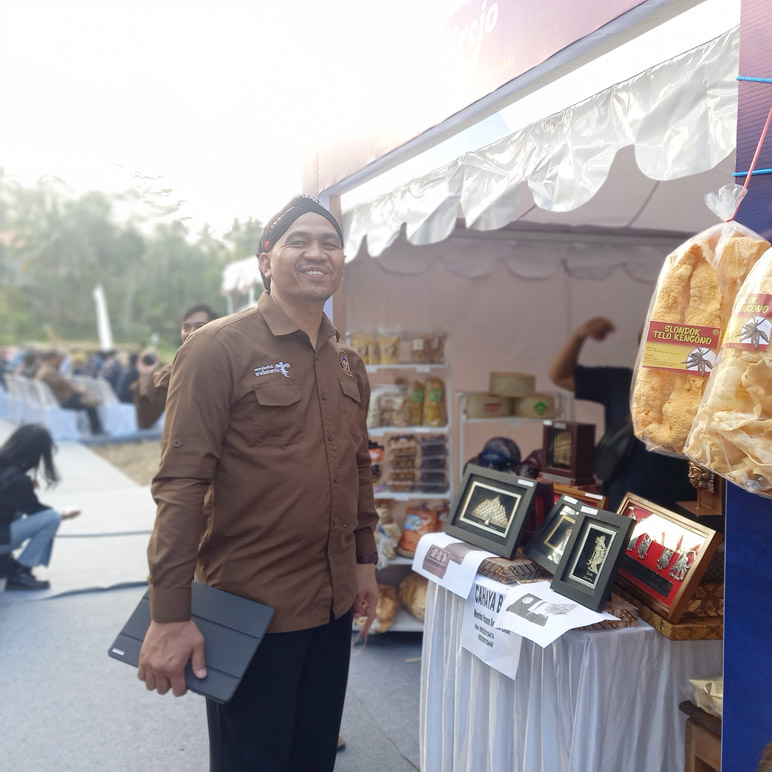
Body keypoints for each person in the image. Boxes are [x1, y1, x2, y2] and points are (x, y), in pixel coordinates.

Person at [137, 194, 378, 772]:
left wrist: (365, 560)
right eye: (299, 241)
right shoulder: (217, 347)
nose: (317, 252)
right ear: (266, 261)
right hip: (250, 607)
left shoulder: (348, 363)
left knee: (314, 755)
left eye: (331, 242)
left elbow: (358, 466)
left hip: (332, 602)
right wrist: (169, 614)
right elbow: (181, 482)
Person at [548, 316, 695, 512]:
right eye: (651, 340)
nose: (658, 347)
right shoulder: (619, 381)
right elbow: (559, 376)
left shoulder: (695, 390)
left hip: (676, 504)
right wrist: (579, 336)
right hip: (622, 499)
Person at [0, 424, 80, 590]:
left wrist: (26, 487)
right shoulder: (16, 479)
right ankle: (21, 573)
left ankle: (7, 561)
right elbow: (38, 512)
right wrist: (63, 514)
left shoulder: (7, 469)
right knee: (52, 518)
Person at [133, 303, 219, 429]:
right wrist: (146, 375)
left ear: (216, 329)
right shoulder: (172, 372)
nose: (191, 333)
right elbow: (146, 419)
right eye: (186, 328)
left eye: (200, 326)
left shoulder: (230, 367)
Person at [36, 351, 104, 435]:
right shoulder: (49, 373)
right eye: (57, 359)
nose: (60, 361)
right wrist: (82, 392)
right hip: (62, 401)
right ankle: (96, 429)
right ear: (52, 359)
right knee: (89, 403)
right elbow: (66, 385)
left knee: (85, 400)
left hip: (55, 400)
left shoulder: (43, 371)